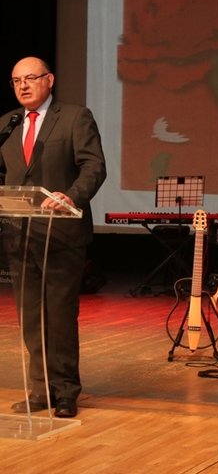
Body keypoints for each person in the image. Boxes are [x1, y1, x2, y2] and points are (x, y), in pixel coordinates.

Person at [0, 56, 106, 418]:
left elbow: (94, 165)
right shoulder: (8, 124)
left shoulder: (75, 117)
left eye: (30, 78)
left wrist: (72, 196)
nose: (23, 86)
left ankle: (65, 392)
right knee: (30, 317)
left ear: (50, 80)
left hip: (61, 234)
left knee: (59, 315)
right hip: (20, 235)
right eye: (16, 81)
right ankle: (40, 389)